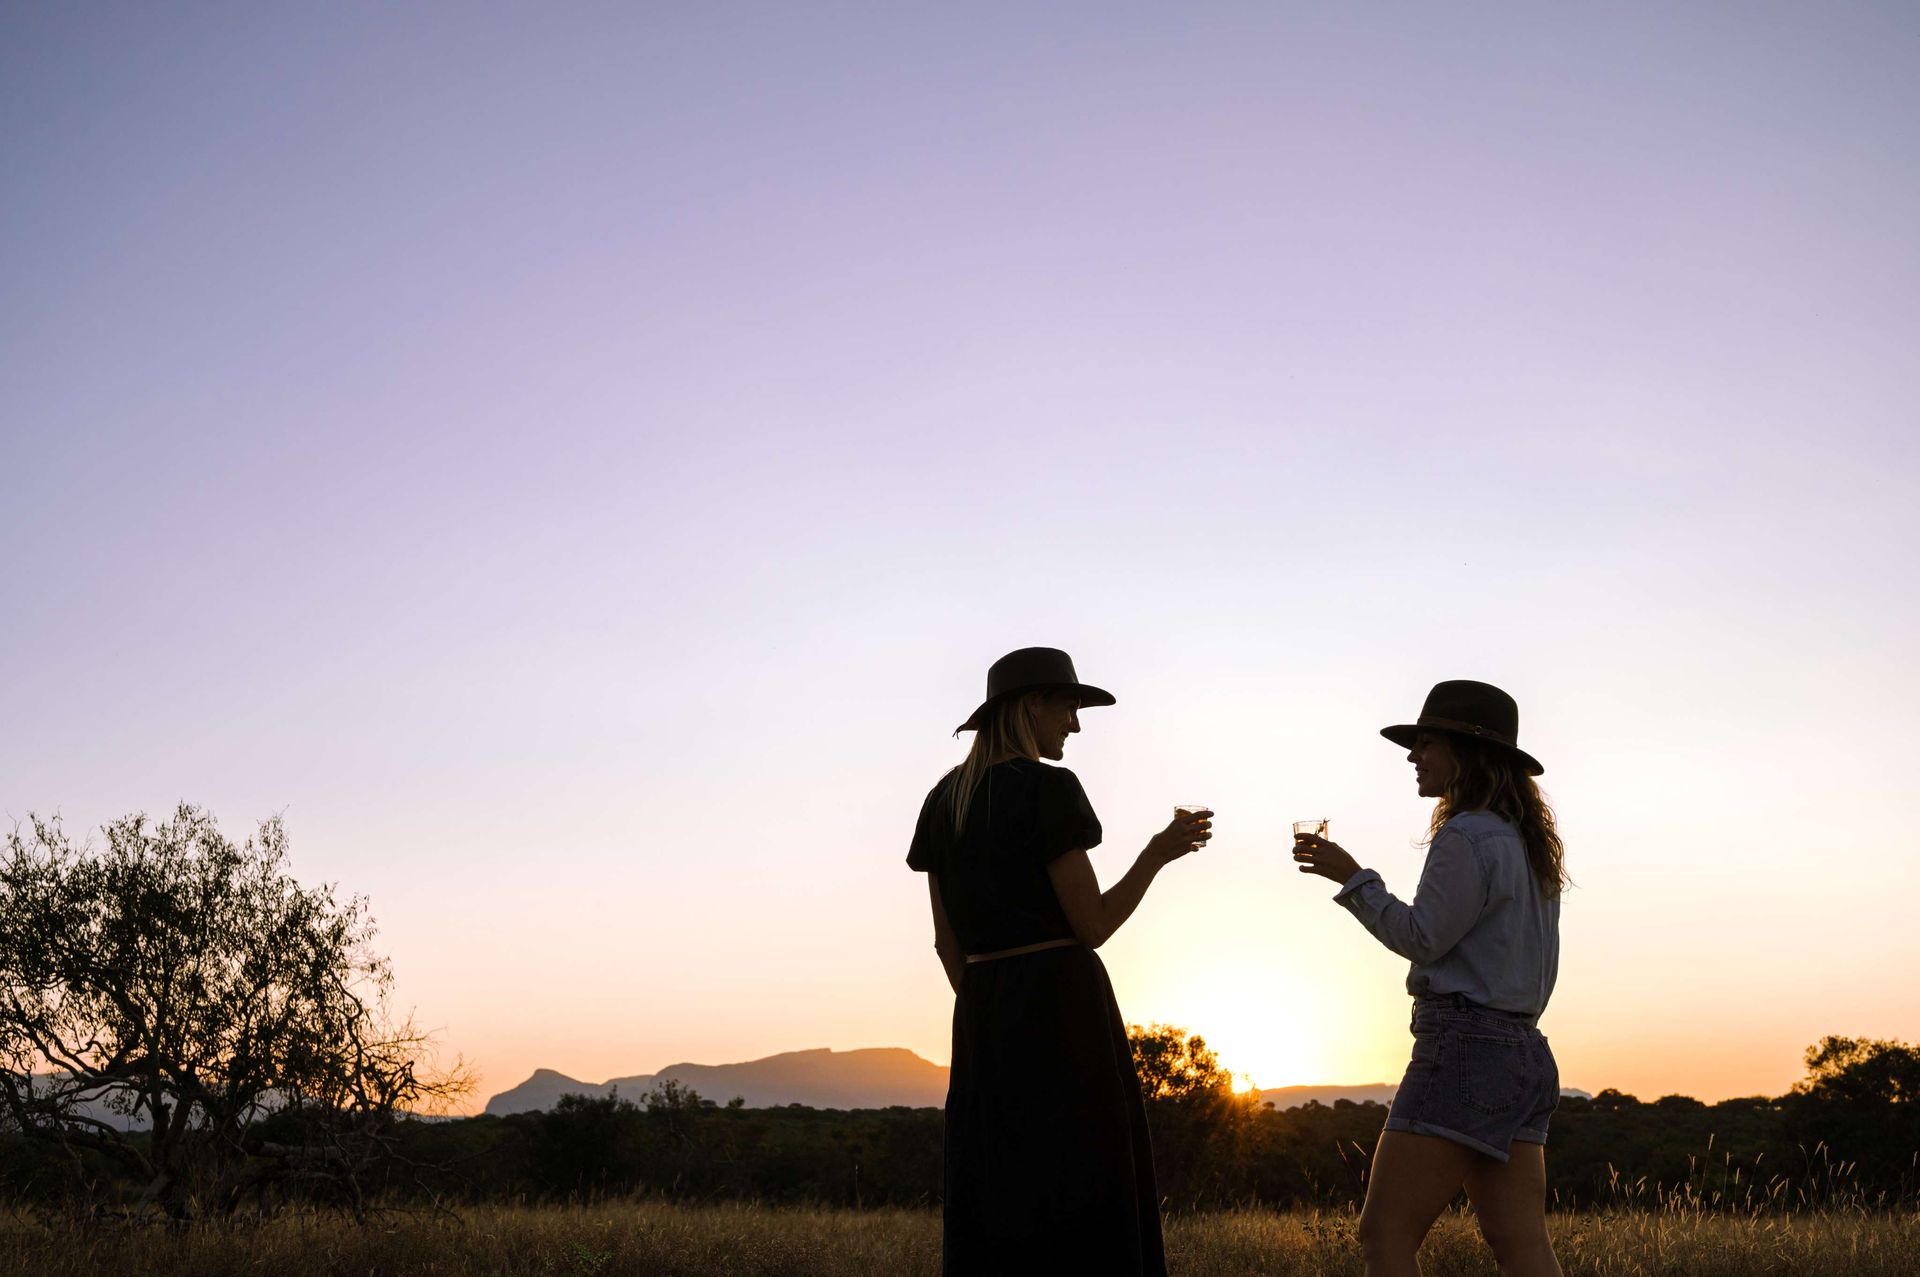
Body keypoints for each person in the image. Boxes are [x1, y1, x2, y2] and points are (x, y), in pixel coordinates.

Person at [907, 647, 1208, 1277]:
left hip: (983, 1011)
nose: (1074, 725)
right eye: (1069, 707)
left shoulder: (943, 801)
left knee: (999, 1187)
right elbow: (1092, 925)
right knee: (1082, 1186)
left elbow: (945, 942)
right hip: (1063, 1009)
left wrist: (991, 1005)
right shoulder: (1049, 788)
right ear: (1033, 707)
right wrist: (1156, 854)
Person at [1293, 680, 1568, 1277]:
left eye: (1426, 743)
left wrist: (1353, 878)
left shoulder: (1466, 836)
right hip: (1525, 1055)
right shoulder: (1524, 845)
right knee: (1518, 1240)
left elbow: (1421, 937)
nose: (1413, 756)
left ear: (1465, 753)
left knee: (1384, 1235)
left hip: (1465, 1050)